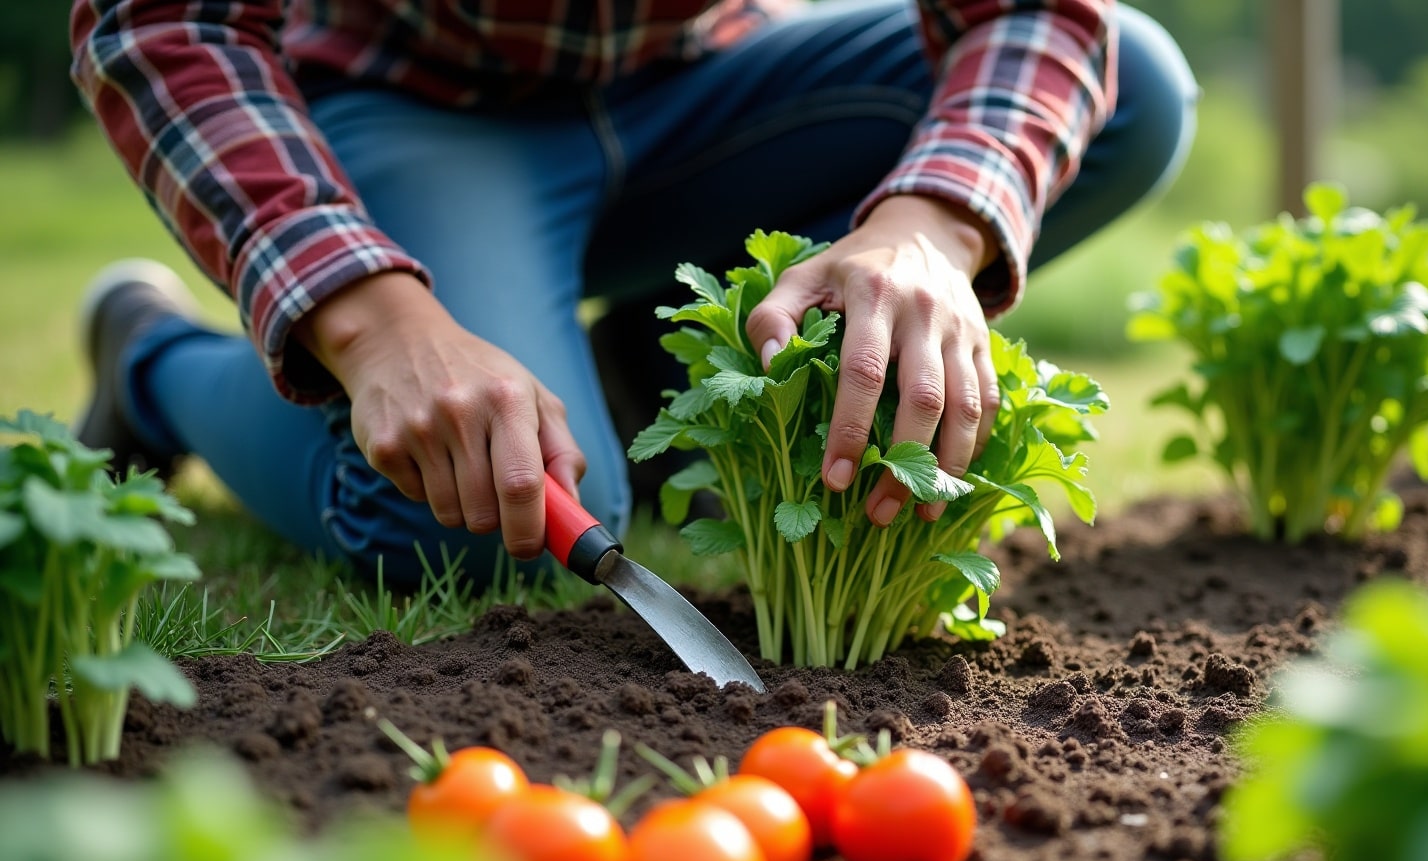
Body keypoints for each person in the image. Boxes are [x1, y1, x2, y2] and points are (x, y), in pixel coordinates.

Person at [69, 0, 1196, 586]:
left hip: (706, 90)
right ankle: (153, 361)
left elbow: (1036, 20)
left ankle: (638, 387)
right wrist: (370, 322)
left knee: (1132, 86)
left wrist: (930, 229)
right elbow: (165, 21)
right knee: (486, 515)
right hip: (419, 105)